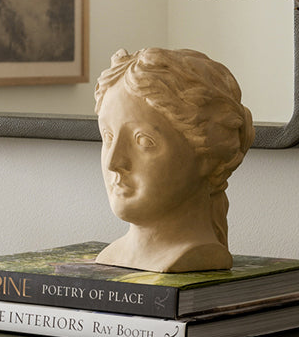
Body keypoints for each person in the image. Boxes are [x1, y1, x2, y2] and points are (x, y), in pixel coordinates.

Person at [94, 47, 253, 273]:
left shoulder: (193, 257)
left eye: (143, 141)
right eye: (108, 137)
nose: (113, 162)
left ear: (207, 156)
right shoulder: (112, 256)